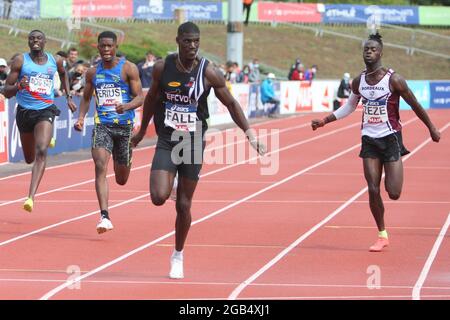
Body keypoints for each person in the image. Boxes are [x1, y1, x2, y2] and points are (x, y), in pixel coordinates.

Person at [131, 22, 266, 279]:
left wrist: (249, 134)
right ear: (178, 41)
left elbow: (231, 103)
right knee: (158, 197)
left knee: (183, 204)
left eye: (196, 41)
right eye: (187, 41)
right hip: (168, 138)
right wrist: (140, 132)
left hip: (193, 141)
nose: (192, 46)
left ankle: (178, 255)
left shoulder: (209, 72)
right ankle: (172, 180)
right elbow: (150, 100)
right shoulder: (163, 67)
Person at [311, 33, 440, 252]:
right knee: (372, 188)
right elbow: (350, 107)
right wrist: (325, 120)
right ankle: (382, 234)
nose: (368, 52)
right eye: (365, 49)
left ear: (380, 52)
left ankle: (394, 167)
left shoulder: (394, 80)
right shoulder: (358, 81)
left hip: (390, 138)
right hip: (369, 139)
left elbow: (415, 104)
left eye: (372, 49)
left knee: (394, 192)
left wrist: (432, 128)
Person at [74, 31, 144, 234]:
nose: (106, 50)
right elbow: (86, 98)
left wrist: (128, 105)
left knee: (122, 179)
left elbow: (140, 97)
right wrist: (80, 118)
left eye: (109, 46)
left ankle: (125, 159)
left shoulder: (128, 68)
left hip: (124, 127)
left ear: (115, 47)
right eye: (102, 46)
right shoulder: (93, 72)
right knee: (99, 165)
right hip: (102, 124)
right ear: (98, 47)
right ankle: (104, 216)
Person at [3, 30, 76, 212]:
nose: (35, 41)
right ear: (28, 42)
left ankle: (30, 197)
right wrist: (20, 85)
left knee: (42, 150)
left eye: (38, 38)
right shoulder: (21, 61)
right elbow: (6, 90)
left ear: (45, 41)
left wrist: (68, 96)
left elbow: (64, 73)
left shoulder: (55, 61)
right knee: (29, 158)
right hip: (25, 112)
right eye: (32, 38)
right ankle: (42, 137)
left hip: (45, 109)